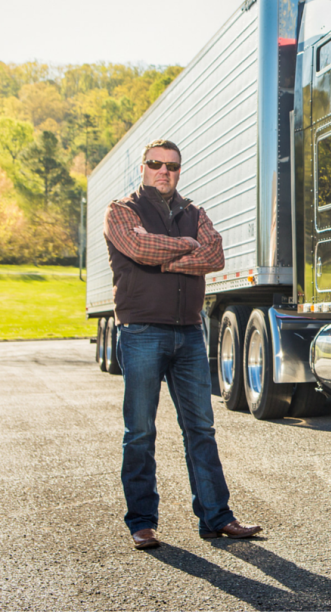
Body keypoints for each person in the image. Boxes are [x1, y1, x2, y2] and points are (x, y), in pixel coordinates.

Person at [104, 138, 262, 550]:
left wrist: (167, 254)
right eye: (156, 164)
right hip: (140, 331)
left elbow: (216, 255)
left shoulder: (195, 212)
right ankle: (141, 521)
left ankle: (216, 517)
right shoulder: (121, 211)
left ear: (179, 171)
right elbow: (136, 247)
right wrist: (187, 246)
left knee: (201, 429)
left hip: (190, 332)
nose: (164, 172)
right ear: (143, 167)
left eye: (172, 166)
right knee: (140, 431)